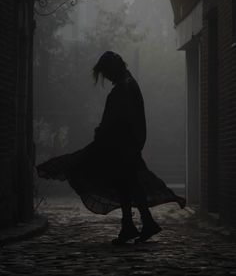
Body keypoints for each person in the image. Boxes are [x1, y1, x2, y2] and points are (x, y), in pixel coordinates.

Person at [37, 51, 186, 245]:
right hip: (123, 145)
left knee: (128, 183)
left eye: (106, 73)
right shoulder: (127, 84)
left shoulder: (124, 88)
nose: (106, 77)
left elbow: (118, 120)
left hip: (121, 146)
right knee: (127, 184)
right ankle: (135, 225)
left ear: (112, 69)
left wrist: (106, 134)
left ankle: (137, 224)